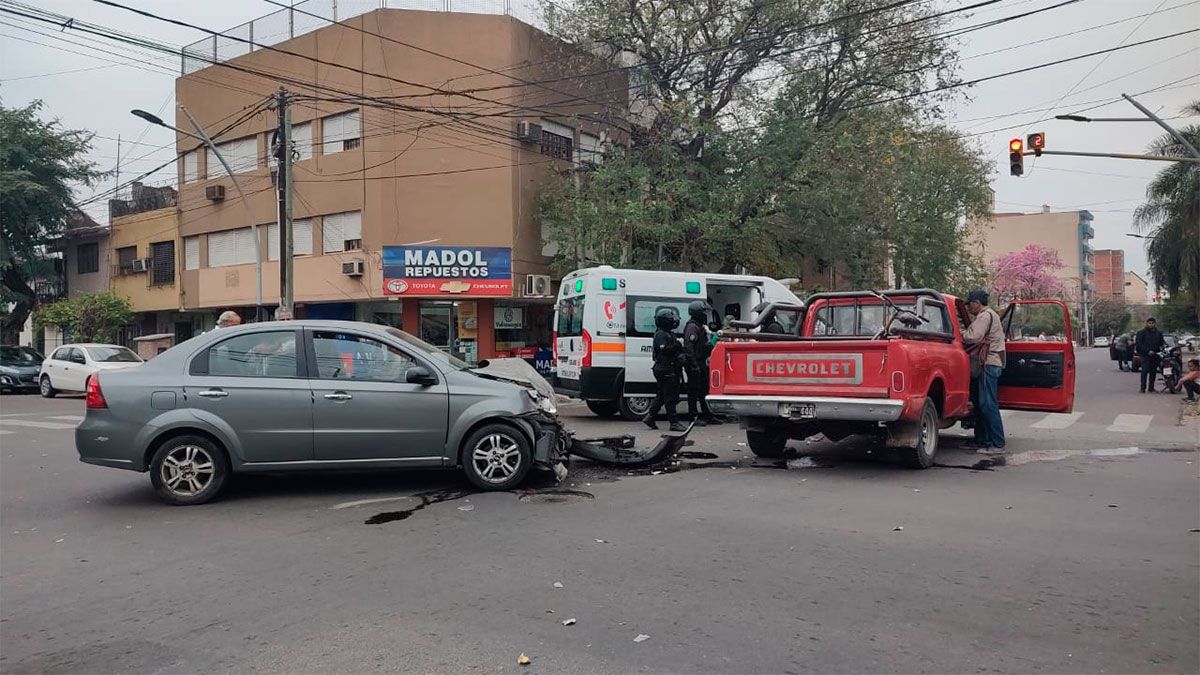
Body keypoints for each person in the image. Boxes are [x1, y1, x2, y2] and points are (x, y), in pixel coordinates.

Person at [962, 289, 1006, 453]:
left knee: (988, 404)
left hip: (989, 363)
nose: (968, 308)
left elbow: (974, 336)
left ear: (976, 303)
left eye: (970, 305)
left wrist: (961, 334)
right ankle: (981, 440)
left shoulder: (984, 315)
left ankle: (997, 444)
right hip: (992, 362)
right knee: (982, 404)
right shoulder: (991, 315)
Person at [643, 307, 686, 432]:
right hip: (665, 368)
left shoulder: (669, 333)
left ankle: (650, 417)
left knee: (661, 395)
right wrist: (678, 345)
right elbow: (664, 349)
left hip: (668, 367)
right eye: (671, 319)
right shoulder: (661, 334)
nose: (673, 322)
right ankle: (674, 423)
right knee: (670, 397)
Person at [683, 300, 721, 426]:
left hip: (701, 362)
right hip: (695, 363)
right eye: (703, 312)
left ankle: (708, 415)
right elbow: (689, 348)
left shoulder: (699, 326)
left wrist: (711, 344)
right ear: (697, 313)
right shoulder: (692, 327)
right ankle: (693, 417)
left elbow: (702, 346)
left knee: (704, 390)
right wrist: (694, 365)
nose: (705, 315)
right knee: (693, 391)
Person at [1134, 317, 1166, 393]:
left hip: (1155, 354)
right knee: (1144, 371)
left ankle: (1151, 388)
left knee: (1153, 371)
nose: (1151, 325)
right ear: (1147, 323)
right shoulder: (1141, 332)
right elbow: (1139, 344)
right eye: (1149, 323)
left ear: (1155, 324)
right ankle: (1142, 388)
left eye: (1152, 323)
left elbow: (1162, 342)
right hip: (1145, 355)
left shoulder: (1159, 333)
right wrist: (1147, 351)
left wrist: (1163, 346)